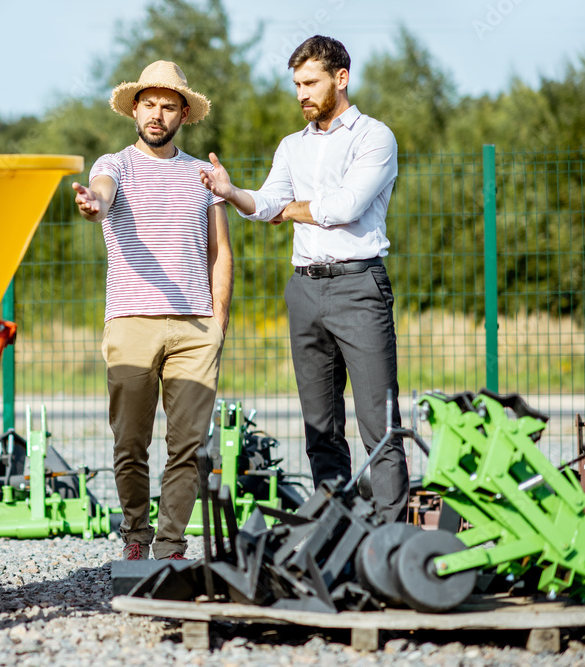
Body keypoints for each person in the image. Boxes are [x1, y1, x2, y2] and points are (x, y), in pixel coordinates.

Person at [199, 35, 408, 522]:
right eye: (296, 84)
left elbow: (344, 208)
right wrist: (232, 192)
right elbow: (265, 201)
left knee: (379, 424)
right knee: (321, 428)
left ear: (341, 78)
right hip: (304, 291)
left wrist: (284, 211)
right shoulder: (291, 146)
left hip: (359, 286)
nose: (301, 94)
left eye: (310, 82)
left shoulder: (374, 137)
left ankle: (392, 543)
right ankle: (338, 534)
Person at [72, 60, 233, 560]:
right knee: (131, 443)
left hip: (195, 327)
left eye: (168, 105)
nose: (157, 114)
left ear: (183, 113)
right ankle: (137, 537)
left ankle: (170, 546)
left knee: (187, 446)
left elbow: (220, 251)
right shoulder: (113, 165)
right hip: (131, 323)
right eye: (149, 104)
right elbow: (103, 192)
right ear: (135, 110)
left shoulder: (202, 175)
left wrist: (218, 321)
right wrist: (95, 204)